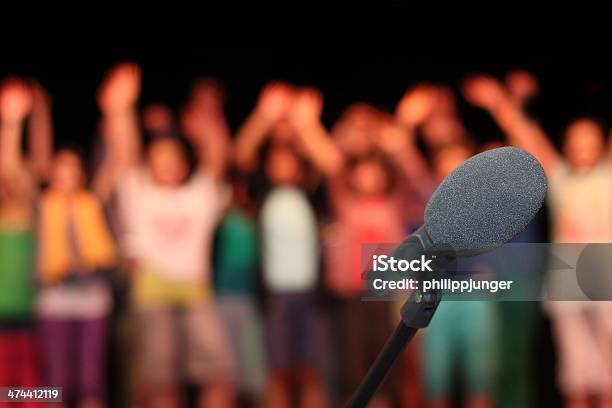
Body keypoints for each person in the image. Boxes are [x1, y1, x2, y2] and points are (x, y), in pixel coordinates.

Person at [463, 71, 612, 408]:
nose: (584, 145)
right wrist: (499, 102)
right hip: (569, 278)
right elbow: (526, 135)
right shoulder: (560, 177)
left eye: (591, 138)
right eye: (578, 138)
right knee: (576, 364)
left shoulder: (608, 176)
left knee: (609, 361)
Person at [95, 63, 235, 408]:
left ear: (184, 165)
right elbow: (126, 154)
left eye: (174, 158)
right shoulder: (139, 192)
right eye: (159, 157)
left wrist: (209, 115)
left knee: (219, 372)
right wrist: (123, 109)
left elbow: (217, 159)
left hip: (195, 289)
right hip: (153, 290)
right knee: (160, 381)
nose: (167, 163)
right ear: (150, 163)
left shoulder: (198, 195)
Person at [235, 82, 327, 408]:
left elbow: (332, 163)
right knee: (278, 371)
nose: (283, 164)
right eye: (277, 158)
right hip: (274, 296)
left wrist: (307, 126)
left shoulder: (311, 192)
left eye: (289, 158)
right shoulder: (262, 193)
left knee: (311, 370)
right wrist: (264, 116)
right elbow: (242, 152)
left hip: (312, 295)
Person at [0, 78, 50, 406]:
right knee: (3, 388)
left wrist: (40, 113)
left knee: (36, 387)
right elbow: (7, 167)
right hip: (1, 315)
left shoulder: (39, 217)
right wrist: (11, 122)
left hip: (34, 313)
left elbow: (38, 162)